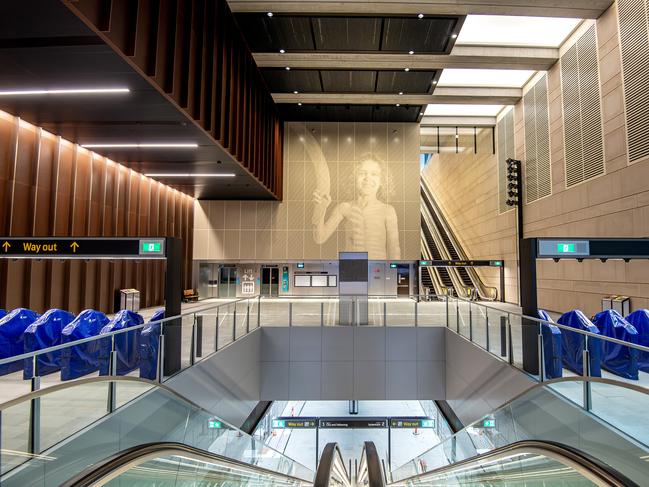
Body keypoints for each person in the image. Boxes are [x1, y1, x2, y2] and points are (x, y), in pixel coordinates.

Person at [312, 156, 401, 259]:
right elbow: (319, 238)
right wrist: (320, 208)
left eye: (374, 174)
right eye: (362, 173)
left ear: (382, 181)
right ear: (353, 177)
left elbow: (394, 250)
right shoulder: (344, 208)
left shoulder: (387, 211)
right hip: (351, 269)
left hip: (377, 270)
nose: (368, 178)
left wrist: (393, 273)